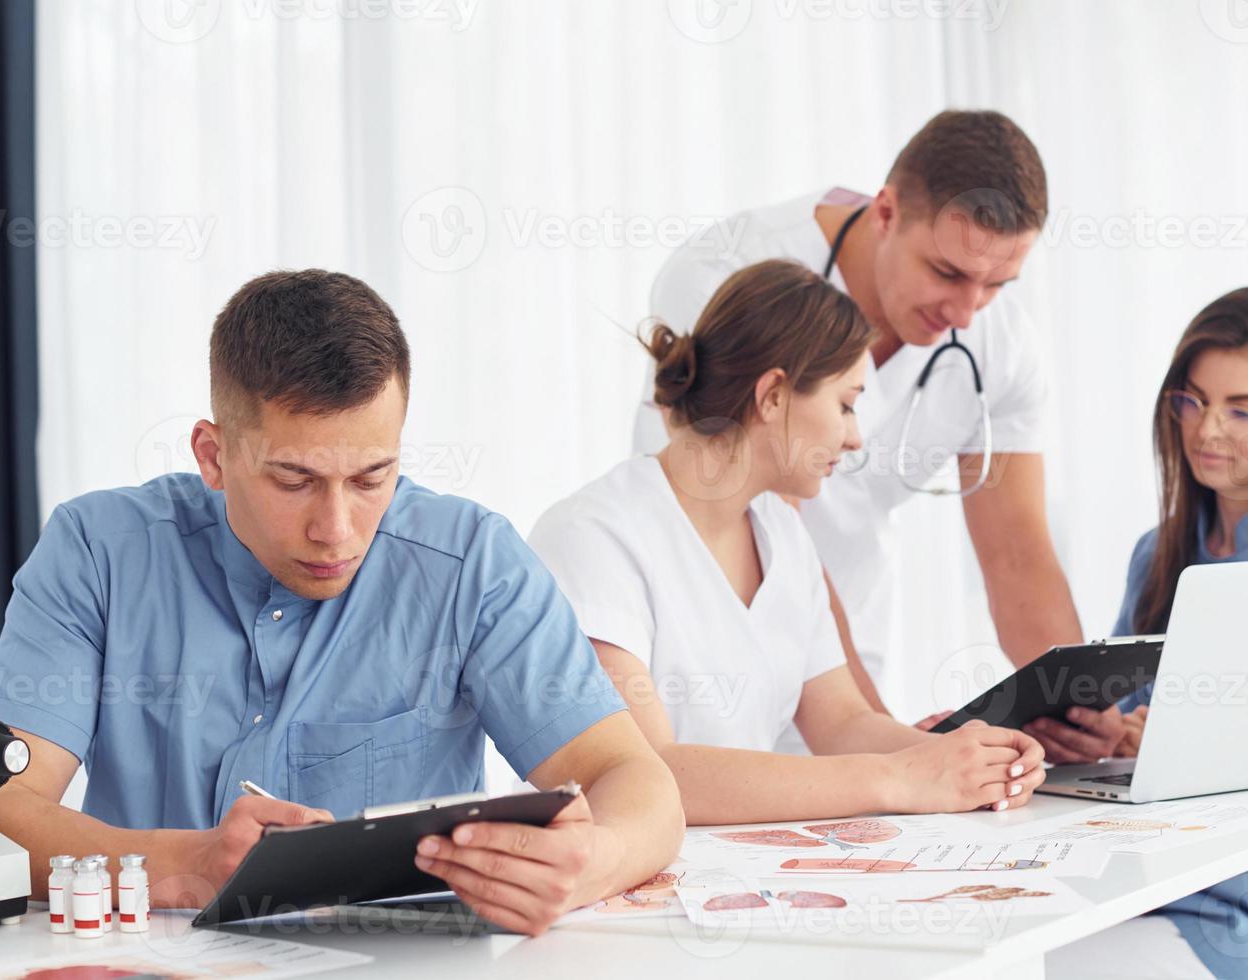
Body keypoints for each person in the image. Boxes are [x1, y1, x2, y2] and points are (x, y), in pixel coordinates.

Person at [0, 269, 684, 936]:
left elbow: (633, 779)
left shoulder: (472, 565)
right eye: (294, 480)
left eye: (371, 477)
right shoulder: (96, 552)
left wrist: (589, 865)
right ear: (213, 455)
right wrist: (184, 866)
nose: (337, 529)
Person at [631, 110, 1119, 762]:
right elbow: (775, 520)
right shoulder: (735, 270)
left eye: (997, 285)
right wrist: (898, 754)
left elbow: (1017, 553)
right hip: (707, 654)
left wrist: (1083, 716)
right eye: (946, 273)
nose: (965, 312)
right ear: (884, 211)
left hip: (845, 670)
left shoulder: (1003, 342)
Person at [530, 259, 1046, 824]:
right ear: (773, 395)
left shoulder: (782, 533)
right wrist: (900, 777)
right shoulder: (595, 536)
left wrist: (971, 757)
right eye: (846, 404)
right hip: (616, 886)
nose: (855, 437)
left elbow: (843, 723)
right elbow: (652, 772)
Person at [1047, 288, 1248, 979]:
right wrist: (1107, 731)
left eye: (1240, 409)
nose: (1207, 430)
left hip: (1224, 893)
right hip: (1136, 870)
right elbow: (1126, 716)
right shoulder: (1157, 554)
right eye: (1192, 401)